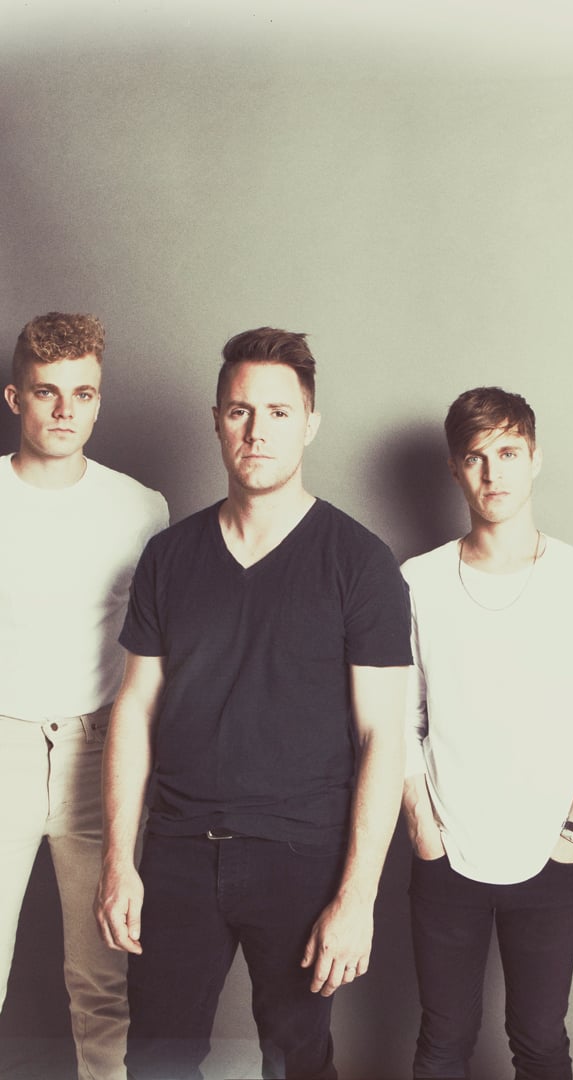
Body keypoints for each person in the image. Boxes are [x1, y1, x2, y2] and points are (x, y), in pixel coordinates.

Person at [94, 327, 411, 1080]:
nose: (257, 431)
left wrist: (357, 897)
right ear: (217, 421)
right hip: (177, 851)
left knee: (299, 1061)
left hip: (303, 856)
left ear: (310, 423)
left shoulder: (361, 563)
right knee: (157, 1062)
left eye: (277, 412)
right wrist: (118, 860)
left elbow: (383, 735)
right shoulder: (170, 556)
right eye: (240, 411)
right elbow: (135, 708)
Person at [400, 386, 573, 1080]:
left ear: (534, 459)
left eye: (508, 453)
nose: (492, 473)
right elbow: (399, 716)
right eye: (475, 457)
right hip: (446, 847)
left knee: (541, 1039)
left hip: (549, 847)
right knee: (443, 1040)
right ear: (454, 468)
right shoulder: (418, 580)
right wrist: (423, 828)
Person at [0, 312, 168, 1080]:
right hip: (2, 738)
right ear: (15, 398)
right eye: (47, 392)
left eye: (84, 393)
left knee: (103, 976)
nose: (66, 411)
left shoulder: (142, 509)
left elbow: (157, 649)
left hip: (98, 752)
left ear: (100, 400)